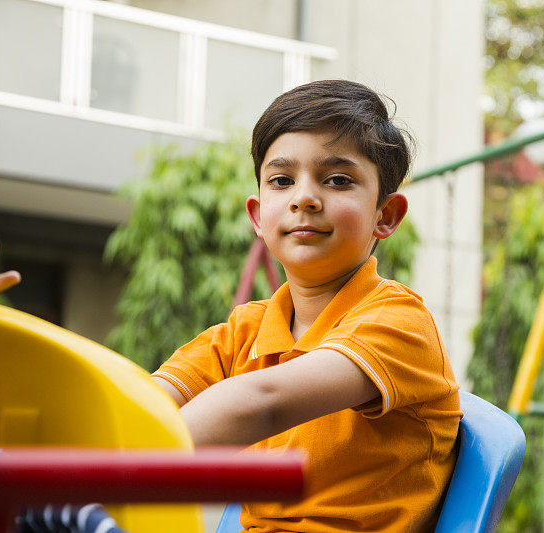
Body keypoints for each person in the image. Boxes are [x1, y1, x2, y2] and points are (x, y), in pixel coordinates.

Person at [150, 80, 462, 532]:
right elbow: (147, 399)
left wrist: (134, 451)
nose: (304, 198)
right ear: (258, 216)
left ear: (386, 215)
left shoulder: (399, 320)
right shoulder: (245, 330)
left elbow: (263, 402)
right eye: (282, 180)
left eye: (338, 180)